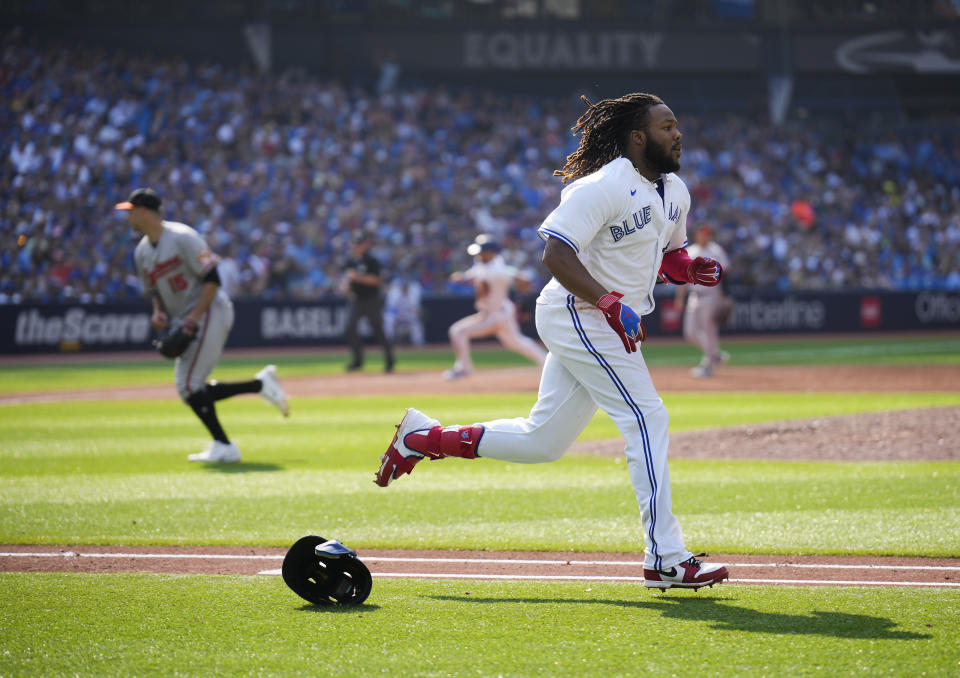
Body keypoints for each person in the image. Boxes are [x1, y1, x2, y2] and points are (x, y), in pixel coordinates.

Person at [374, 93, 729, 590]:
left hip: (605, 319)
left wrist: (688, 268)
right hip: (577, 312)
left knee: (543, 441)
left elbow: (669, 255)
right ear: (637, 137)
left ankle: (422, 437)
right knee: (648, 417)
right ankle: (666, 558)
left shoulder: (675, 192)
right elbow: (556, 256)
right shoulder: (603, 186)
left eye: (677, 125)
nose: (678, 134)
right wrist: (608, 303)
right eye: (667, 126)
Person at [117, 188, 289, 463]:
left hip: (209, 309)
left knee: (187, 383)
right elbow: (155, 292)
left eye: (131, 210)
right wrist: (159, 312)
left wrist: (193, 318)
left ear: (145, 211)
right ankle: (258, 388)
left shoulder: (182, 237)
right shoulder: (141, 253)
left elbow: (212, 278)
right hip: (186, 316)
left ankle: (226, 445)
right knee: (190, 387)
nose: (128, 216)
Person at [443, 235, 547, 380]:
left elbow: (522, 279)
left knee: (458, 331)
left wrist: (522, 293)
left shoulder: (498, 270)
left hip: (496, 313)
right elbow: (475, 275)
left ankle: (464, 368)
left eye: (482, 252)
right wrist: (464, 277)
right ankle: (547, 363)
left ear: (492, 253)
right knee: (516, 342)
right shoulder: (483, 264)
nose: (479, 255)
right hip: (498, 311)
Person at [674, 225, 732, 377]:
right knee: (690, 333)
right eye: (701, 234)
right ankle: (715, 354)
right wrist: (680, 298)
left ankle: (709, 365)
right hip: (694, 295)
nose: (703, 236)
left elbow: (725, 274)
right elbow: (682, 278)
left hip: (711, 294)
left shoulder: (716, 251)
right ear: (697, 235)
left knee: (709, 330)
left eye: (706, 234)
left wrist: (725, 296)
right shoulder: (690, 251)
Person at [343, 231, 394, 373]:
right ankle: (358, 360)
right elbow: (348, 279)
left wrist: (357, 278)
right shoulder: (350, 260)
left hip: (371, 300)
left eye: (360, 244)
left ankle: (389, 360)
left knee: (378, 329)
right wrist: (346, 286)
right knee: (349, 327)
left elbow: (376, 280)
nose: (358, 247)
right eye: (356, 244)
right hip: (356, 299)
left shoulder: (372, 260)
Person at [384, 275, 426, 348]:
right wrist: (399, 314)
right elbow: (391, 308)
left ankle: (418, 342)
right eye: (403, 286)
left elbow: (415, 308)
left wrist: (415, 312)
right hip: (396, 313)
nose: (405, 287)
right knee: (389, 320)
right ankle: (387, 341)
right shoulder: (394, 294)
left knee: (415, 322)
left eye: (406, 286)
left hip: (408, 314)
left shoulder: (413, 294)